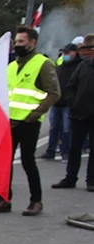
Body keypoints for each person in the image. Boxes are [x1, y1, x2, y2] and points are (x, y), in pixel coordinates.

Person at [0, 25, 60, 216]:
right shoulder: (11, 66)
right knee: (5, 161)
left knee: (27, 161)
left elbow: (54, 93)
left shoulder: (43, 64)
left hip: (29, 122)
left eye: (21, 42)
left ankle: (36, 201)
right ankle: (4, 199)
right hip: (9, 122)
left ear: (32, 43)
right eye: (16, 42)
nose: (17, 45)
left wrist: (34, 115)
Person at [53, 34, 94, 191]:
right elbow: (71, 85)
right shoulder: (82, 66)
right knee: (74, 147)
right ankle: (70, 178)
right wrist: (72, 102)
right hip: (78, 112)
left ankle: (91, 180)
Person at [42, 43, 78, 160]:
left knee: (66, 130)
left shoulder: (78, 67)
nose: (65, 55)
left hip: (68, 104)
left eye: (68, 52)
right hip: (57, 102)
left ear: (75, 52)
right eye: (64, 53)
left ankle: (65, 152)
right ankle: (50, 151)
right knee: (54, 128)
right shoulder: (60, 67)